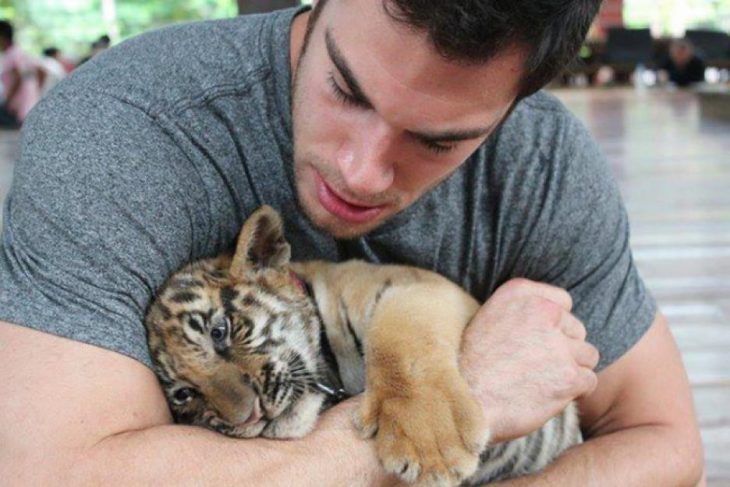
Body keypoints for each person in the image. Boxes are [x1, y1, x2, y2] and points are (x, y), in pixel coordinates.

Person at [0, 1, 704, 485]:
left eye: (437, 139)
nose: (360, 172)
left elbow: (668, 443)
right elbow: (55, 473)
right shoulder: (123, 134)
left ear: (519, 103)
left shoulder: (542, 160)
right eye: (347, 88)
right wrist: (457, 406)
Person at [0, 19, 42, 128]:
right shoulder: (18, 52)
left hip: (18, 108)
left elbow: (18, 77)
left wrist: (8, 100)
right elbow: (40, 71)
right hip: (27, 106)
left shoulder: (12, 54)